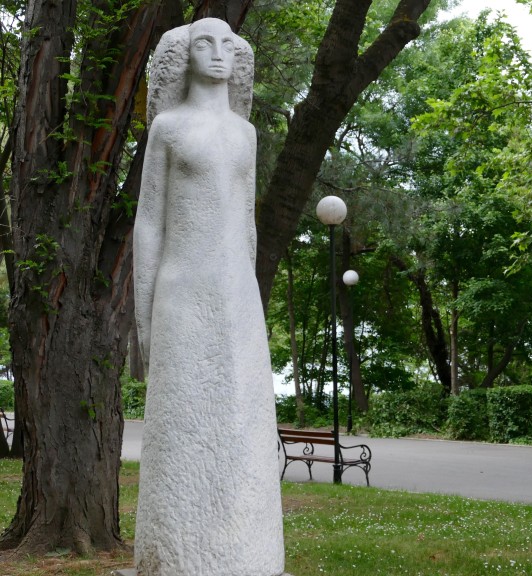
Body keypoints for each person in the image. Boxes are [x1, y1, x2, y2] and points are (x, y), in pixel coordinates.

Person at [133, 18, 285, 576]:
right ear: (186, 55)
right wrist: (144, 314)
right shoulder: (168, 128)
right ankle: (174, 553)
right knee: (182, 423)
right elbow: (149, 222)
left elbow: (247, 222)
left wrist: (248, 296)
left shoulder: (246, 134)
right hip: (181, 292)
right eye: (205, 43)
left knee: (240, 423)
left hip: (235, 294)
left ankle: (246, 550)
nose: (219, 54)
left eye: (228, 44)